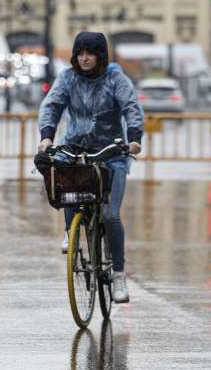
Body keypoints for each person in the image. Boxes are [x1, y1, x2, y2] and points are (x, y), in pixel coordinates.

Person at [35, 31, 143, 303]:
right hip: (74, 147)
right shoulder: (67, 78)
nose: (84, 58)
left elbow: (131, 107)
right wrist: (47, 136)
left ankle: (118, 275)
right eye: (80, 53)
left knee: (110, 215)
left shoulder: (116, 78)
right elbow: (52, 106)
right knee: (66, 185)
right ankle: (71, 232)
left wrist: (134, 139)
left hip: (111, 152)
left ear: (100, 56)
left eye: (90, 53)